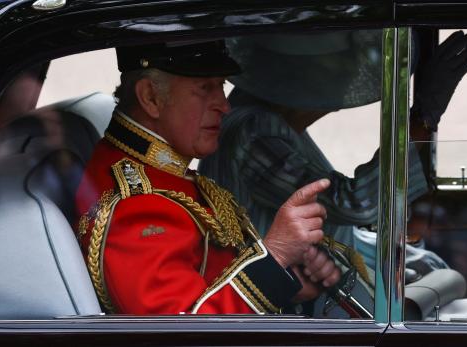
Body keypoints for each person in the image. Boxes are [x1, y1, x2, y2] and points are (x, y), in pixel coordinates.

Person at [199, 30, 467, 320]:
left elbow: (338, 219)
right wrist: (422, 115)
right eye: (335, 75)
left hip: (328, 289)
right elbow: (355, 203)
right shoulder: (253, 130)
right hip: (307, 301)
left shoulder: (270, 126)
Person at [74, 40, 341, 315]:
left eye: (221, 86)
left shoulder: (156, 171)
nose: (224, 106)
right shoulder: (137, 207)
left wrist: (283, 278)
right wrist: (276, 255)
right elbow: (182, 333)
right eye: (205, 88)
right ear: (151, 97)